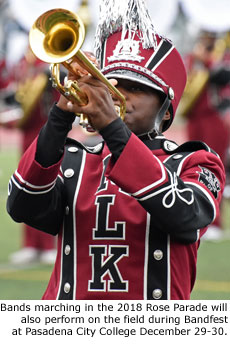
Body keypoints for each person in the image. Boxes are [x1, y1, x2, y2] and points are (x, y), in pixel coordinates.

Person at [7, 0, 225, 300]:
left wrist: (111, 127)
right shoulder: (76, 160)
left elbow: (184, 217)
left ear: (165, 110)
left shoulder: (196, 162)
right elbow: (22, 205)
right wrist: (59, 117)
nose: (118, 95)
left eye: (136, 89)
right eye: (113, 84)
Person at [180, 30, 230, 240]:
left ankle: (216, 222)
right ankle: (197, 220)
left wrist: (208, 62)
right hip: (193, 118)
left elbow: (223, 77)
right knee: (193, 167)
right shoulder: (192, 57)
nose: (206, 39)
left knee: (213, 169)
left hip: (213, 119)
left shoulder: (222, 56)